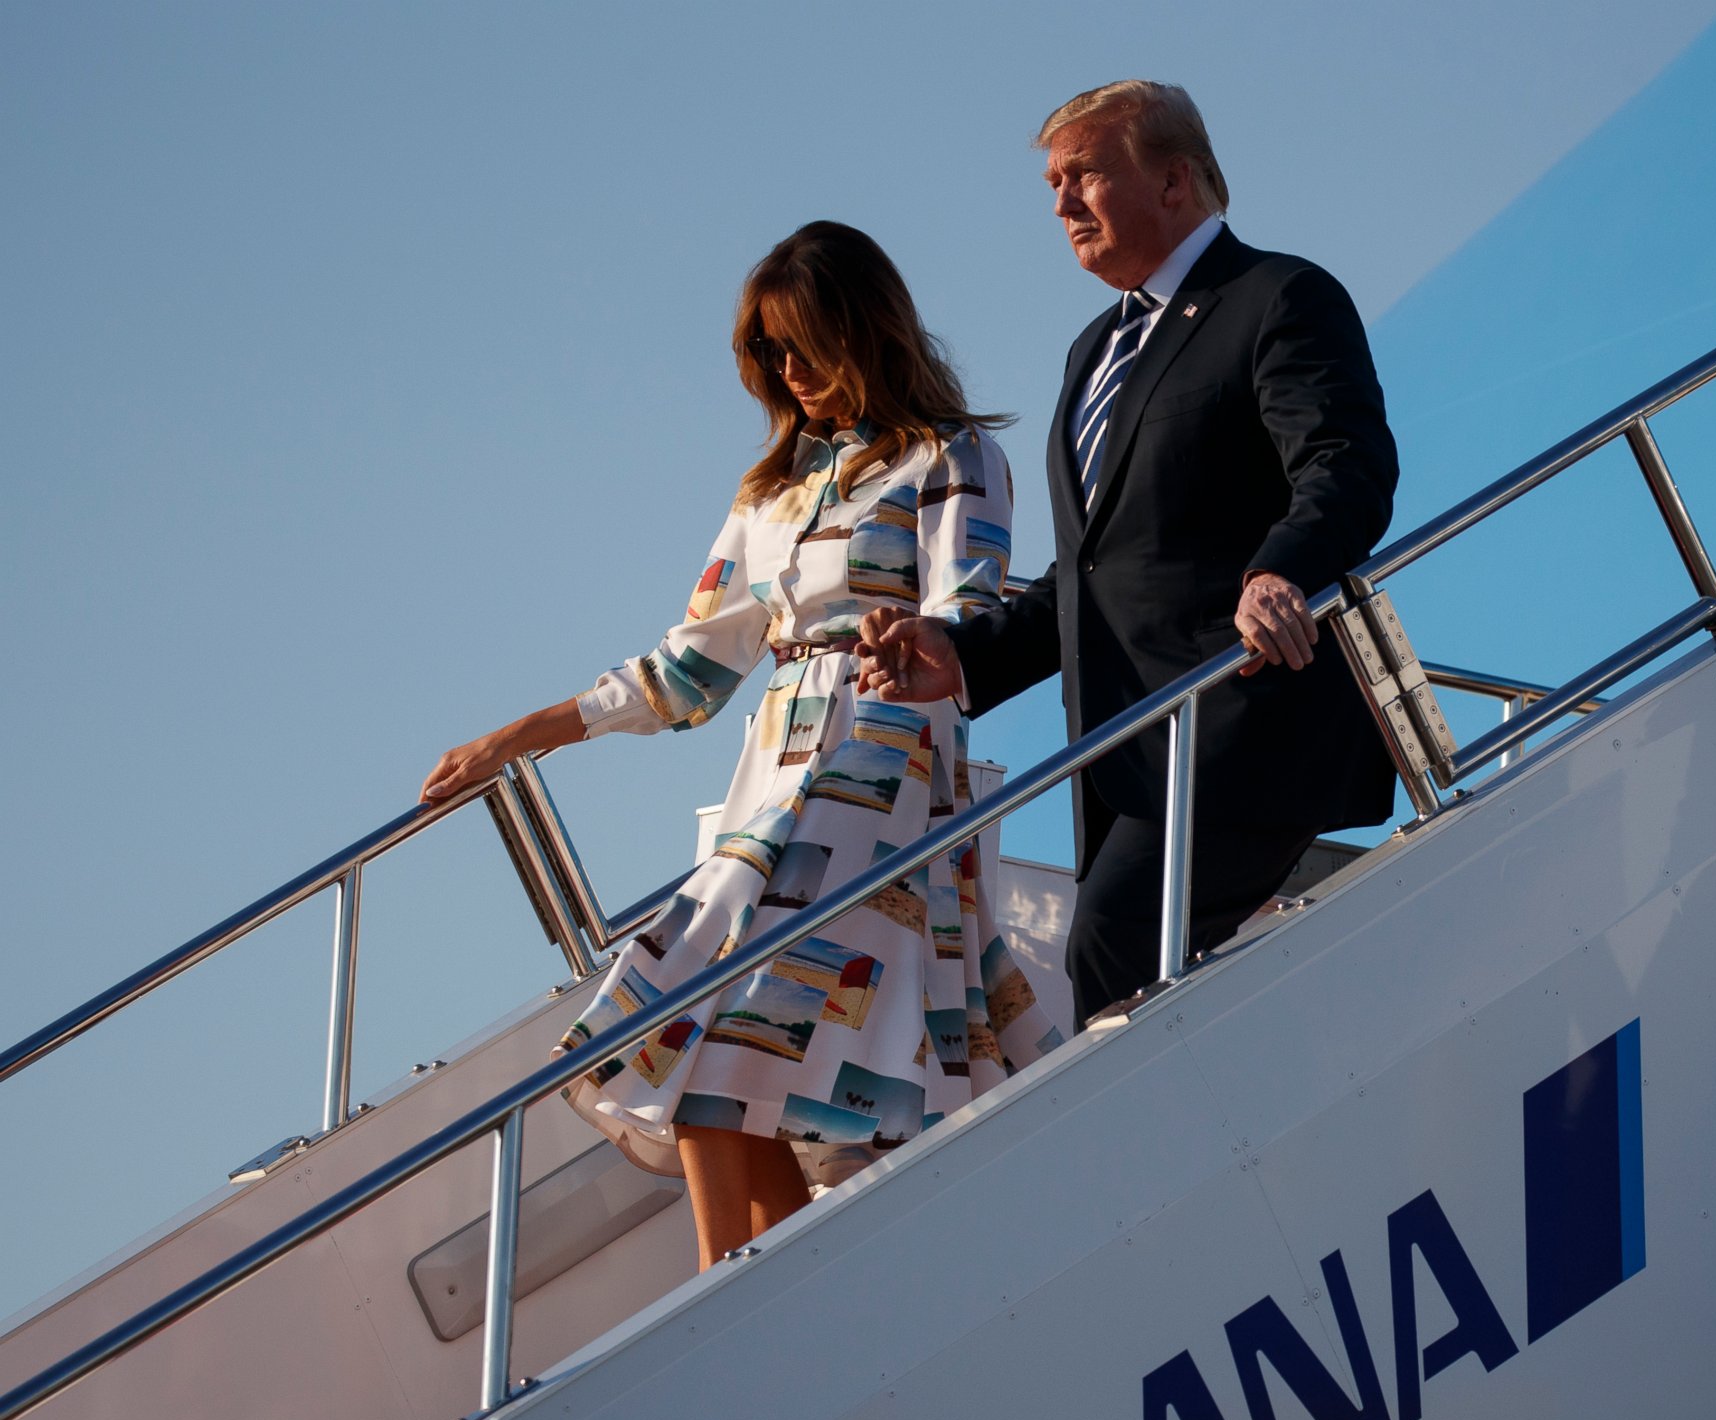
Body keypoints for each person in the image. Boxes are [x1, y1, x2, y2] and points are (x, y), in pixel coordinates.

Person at [421, 222, 1063, 1270]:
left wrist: (914, 637)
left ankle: (732, 1297)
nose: (791, 371)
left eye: (807, 342)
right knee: (721, 1075)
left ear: (865, 329)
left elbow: (971, 605)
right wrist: (519, 735)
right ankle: (757, 1292)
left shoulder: (951, 454)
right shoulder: (769, 496)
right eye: (769, 353)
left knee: (706, 1031)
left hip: (882, 755)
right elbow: (687, 673)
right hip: (776, 766)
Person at [858, 80, 1400, 1022]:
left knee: (1112, 949)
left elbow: (1344, 463)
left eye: (1086, 175)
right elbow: (1095, 570)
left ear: (1175, 181)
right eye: (1053, 183)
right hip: (1126, 747)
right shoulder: (1091, 352)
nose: (1062, 202)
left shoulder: (1277, 297)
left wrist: (1283, 568)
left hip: (1240, 718)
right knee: (1131, 975)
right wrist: (965, 653)